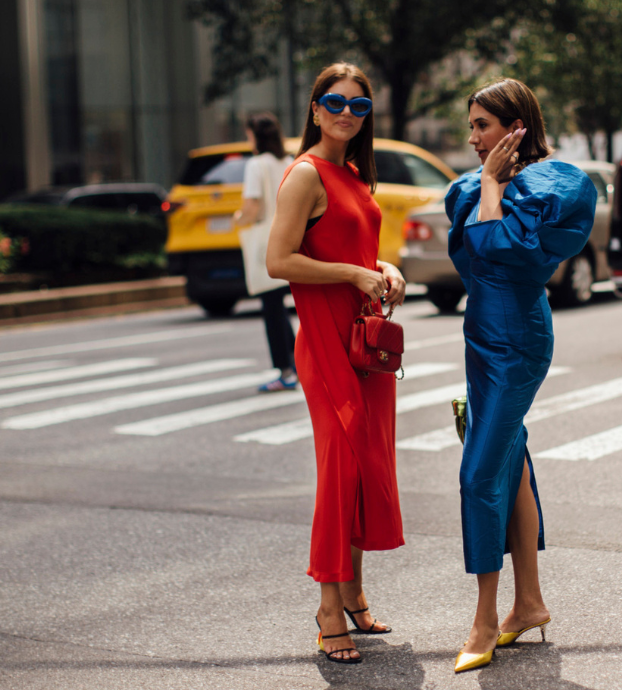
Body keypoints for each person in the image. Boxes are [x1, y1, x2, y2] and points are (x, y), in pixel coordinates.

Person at [446, 78, 597, 673]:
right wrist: (486, 184)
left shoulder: (553, 187)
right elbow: (472, 257)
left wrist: (492, 185)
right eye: (471, 125)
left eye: (482, 125)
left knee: (478, 474)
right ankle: (529, 603)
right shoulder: (472, 186)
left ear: (516, 127)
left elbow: (500, 248)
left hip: (518, 340)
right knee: (512, 464)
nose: (473, 138)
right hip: (480, 338)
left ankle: (485, 619)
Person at [266, 62, 407, 666]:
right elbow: (278, 261)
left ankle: (352, 590)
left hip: (364, 343)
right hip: (326, 345)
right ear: (315, 109)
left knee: (366, 463)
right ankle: (329, 606)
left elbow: (360, 250)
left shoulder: (353, 175)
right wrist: (353, 274)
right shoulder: (305, 174)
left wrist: (386, 269)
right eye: (336, 102)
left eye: (359, 105)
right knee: (340, 469)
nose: (347, 113)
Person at [235, 113, 298, 393]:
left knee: (272, 310)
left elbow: (252, 207)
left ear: (256, 136)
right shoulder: (289, 162)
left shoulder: (256, 164)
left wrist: (237, 219)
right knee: (283, 308)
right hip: (291, 241)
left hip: (265, 245)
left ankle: (285, 371)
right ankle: (297, 366)